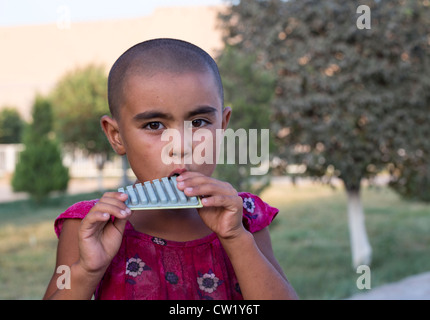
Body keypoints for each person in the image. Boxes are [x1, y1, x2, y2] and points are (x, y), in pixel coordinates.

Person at [43, 38, 298, 300]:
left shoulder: (244, 219)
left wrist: (236, 239)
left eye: (199, 122)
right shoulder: (87, 226)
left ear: (222, 126)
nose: (180, 146)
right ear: (116, 135)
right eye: (155, 125)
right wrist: (87, 270)